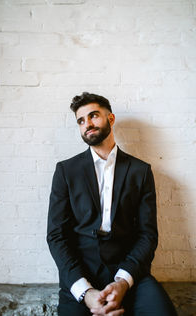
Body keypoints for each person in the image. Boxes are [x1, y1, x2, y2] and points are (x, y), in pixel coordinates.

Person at [47, 92, 177, 316]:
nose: (87, 124)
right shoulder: (66, 172)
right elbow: (56, 236)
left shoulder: (140, 171)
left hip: (129, 271)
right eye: (81, 120)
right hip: (80, 274)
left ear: (111, 119)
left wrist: (123, 283)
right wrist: (86, 293)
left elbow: (148, 234)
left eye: (94, 116)